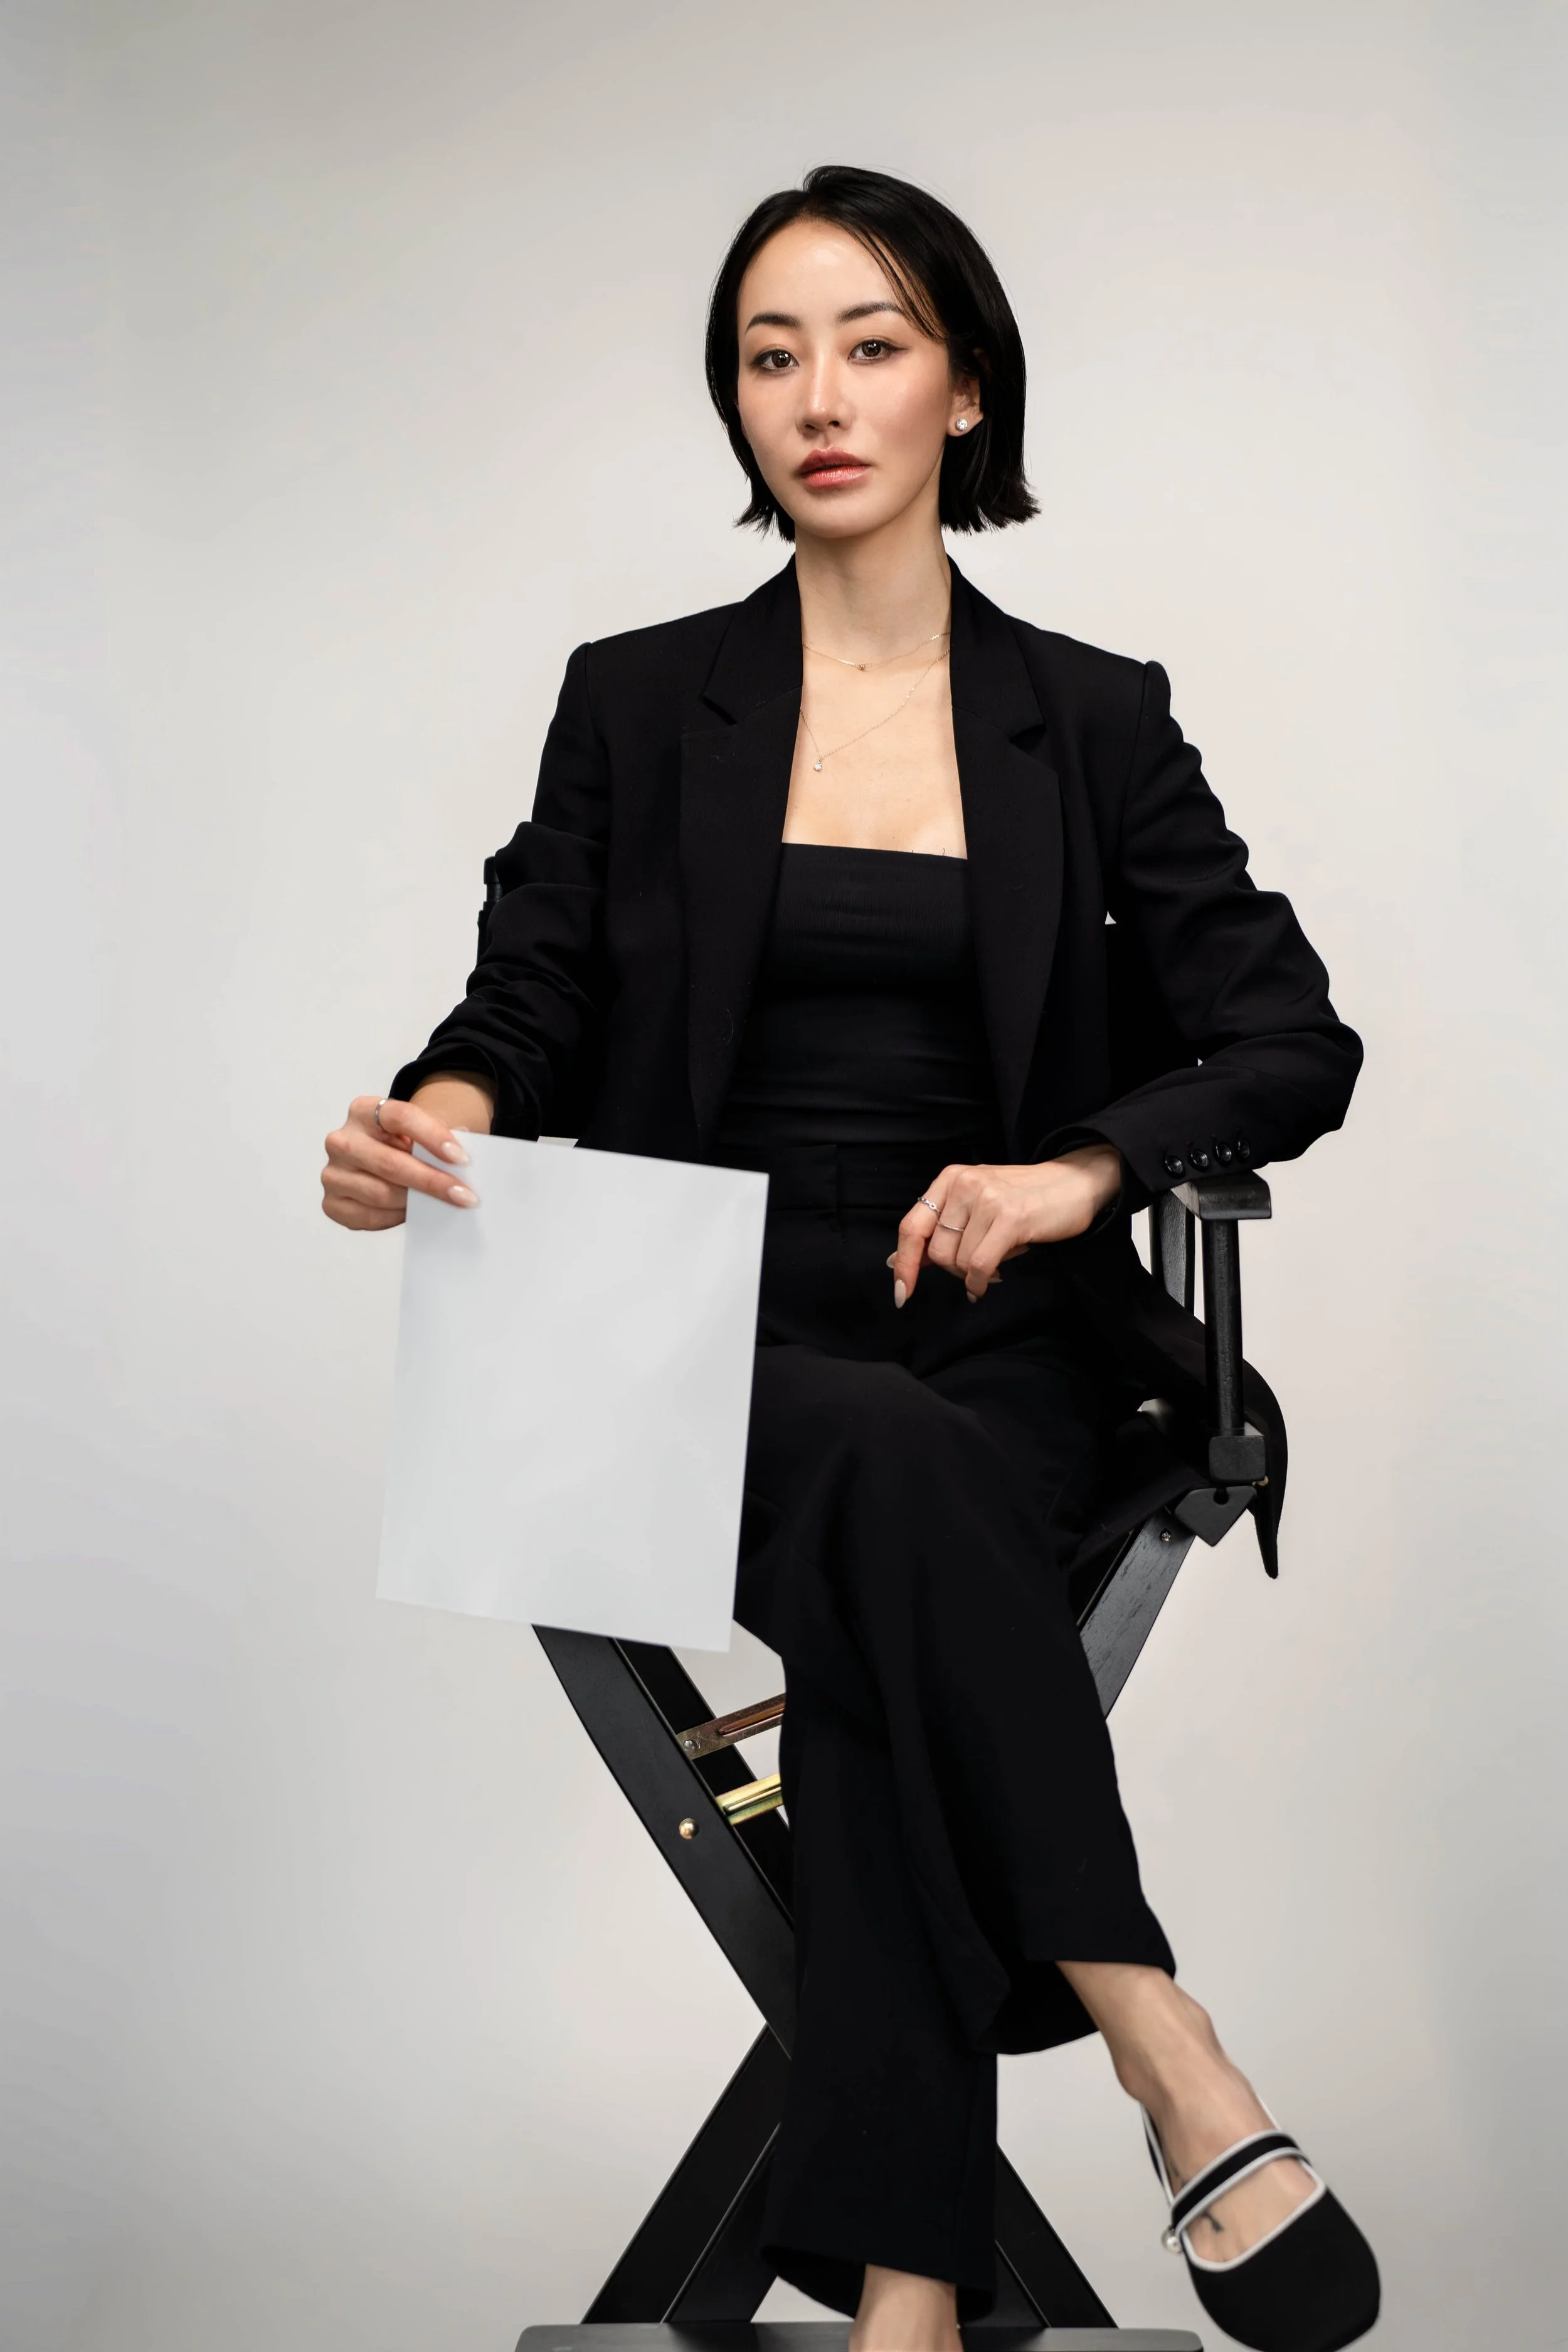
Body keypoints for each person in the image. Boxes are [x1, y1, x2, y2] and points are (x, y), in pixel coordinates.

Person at [321, 166, 1379, 2352]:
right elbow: (523, 1000)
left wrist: (1076, 1170)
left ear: (961, 388)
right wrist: (440, 1116)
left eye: (871, 344)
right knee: (903, 1492)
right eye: (769, 354)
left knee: (898, 1581)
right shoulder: (639, 702)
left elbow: (1292, 1038)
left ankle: (908, 2293)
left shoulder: (1087, 715)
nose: (818, 396)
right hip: (685, 1332)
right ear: (733, 400)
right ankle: (1159, 2035)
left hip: (999, 1324)